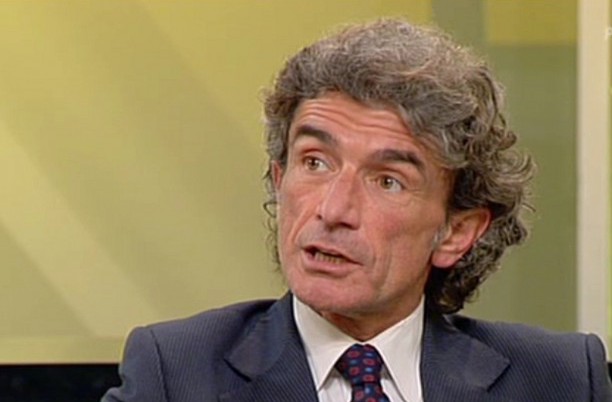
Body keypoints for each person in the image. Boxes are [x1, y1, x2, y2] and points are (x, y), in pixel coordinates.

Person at [102, 19, 612, 402]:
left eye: (387, 180)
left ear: (457, 231)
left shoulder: (560, 379)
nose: (333, 209)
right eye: (315, 162)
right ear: (279, 179)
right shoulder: (175, 374)